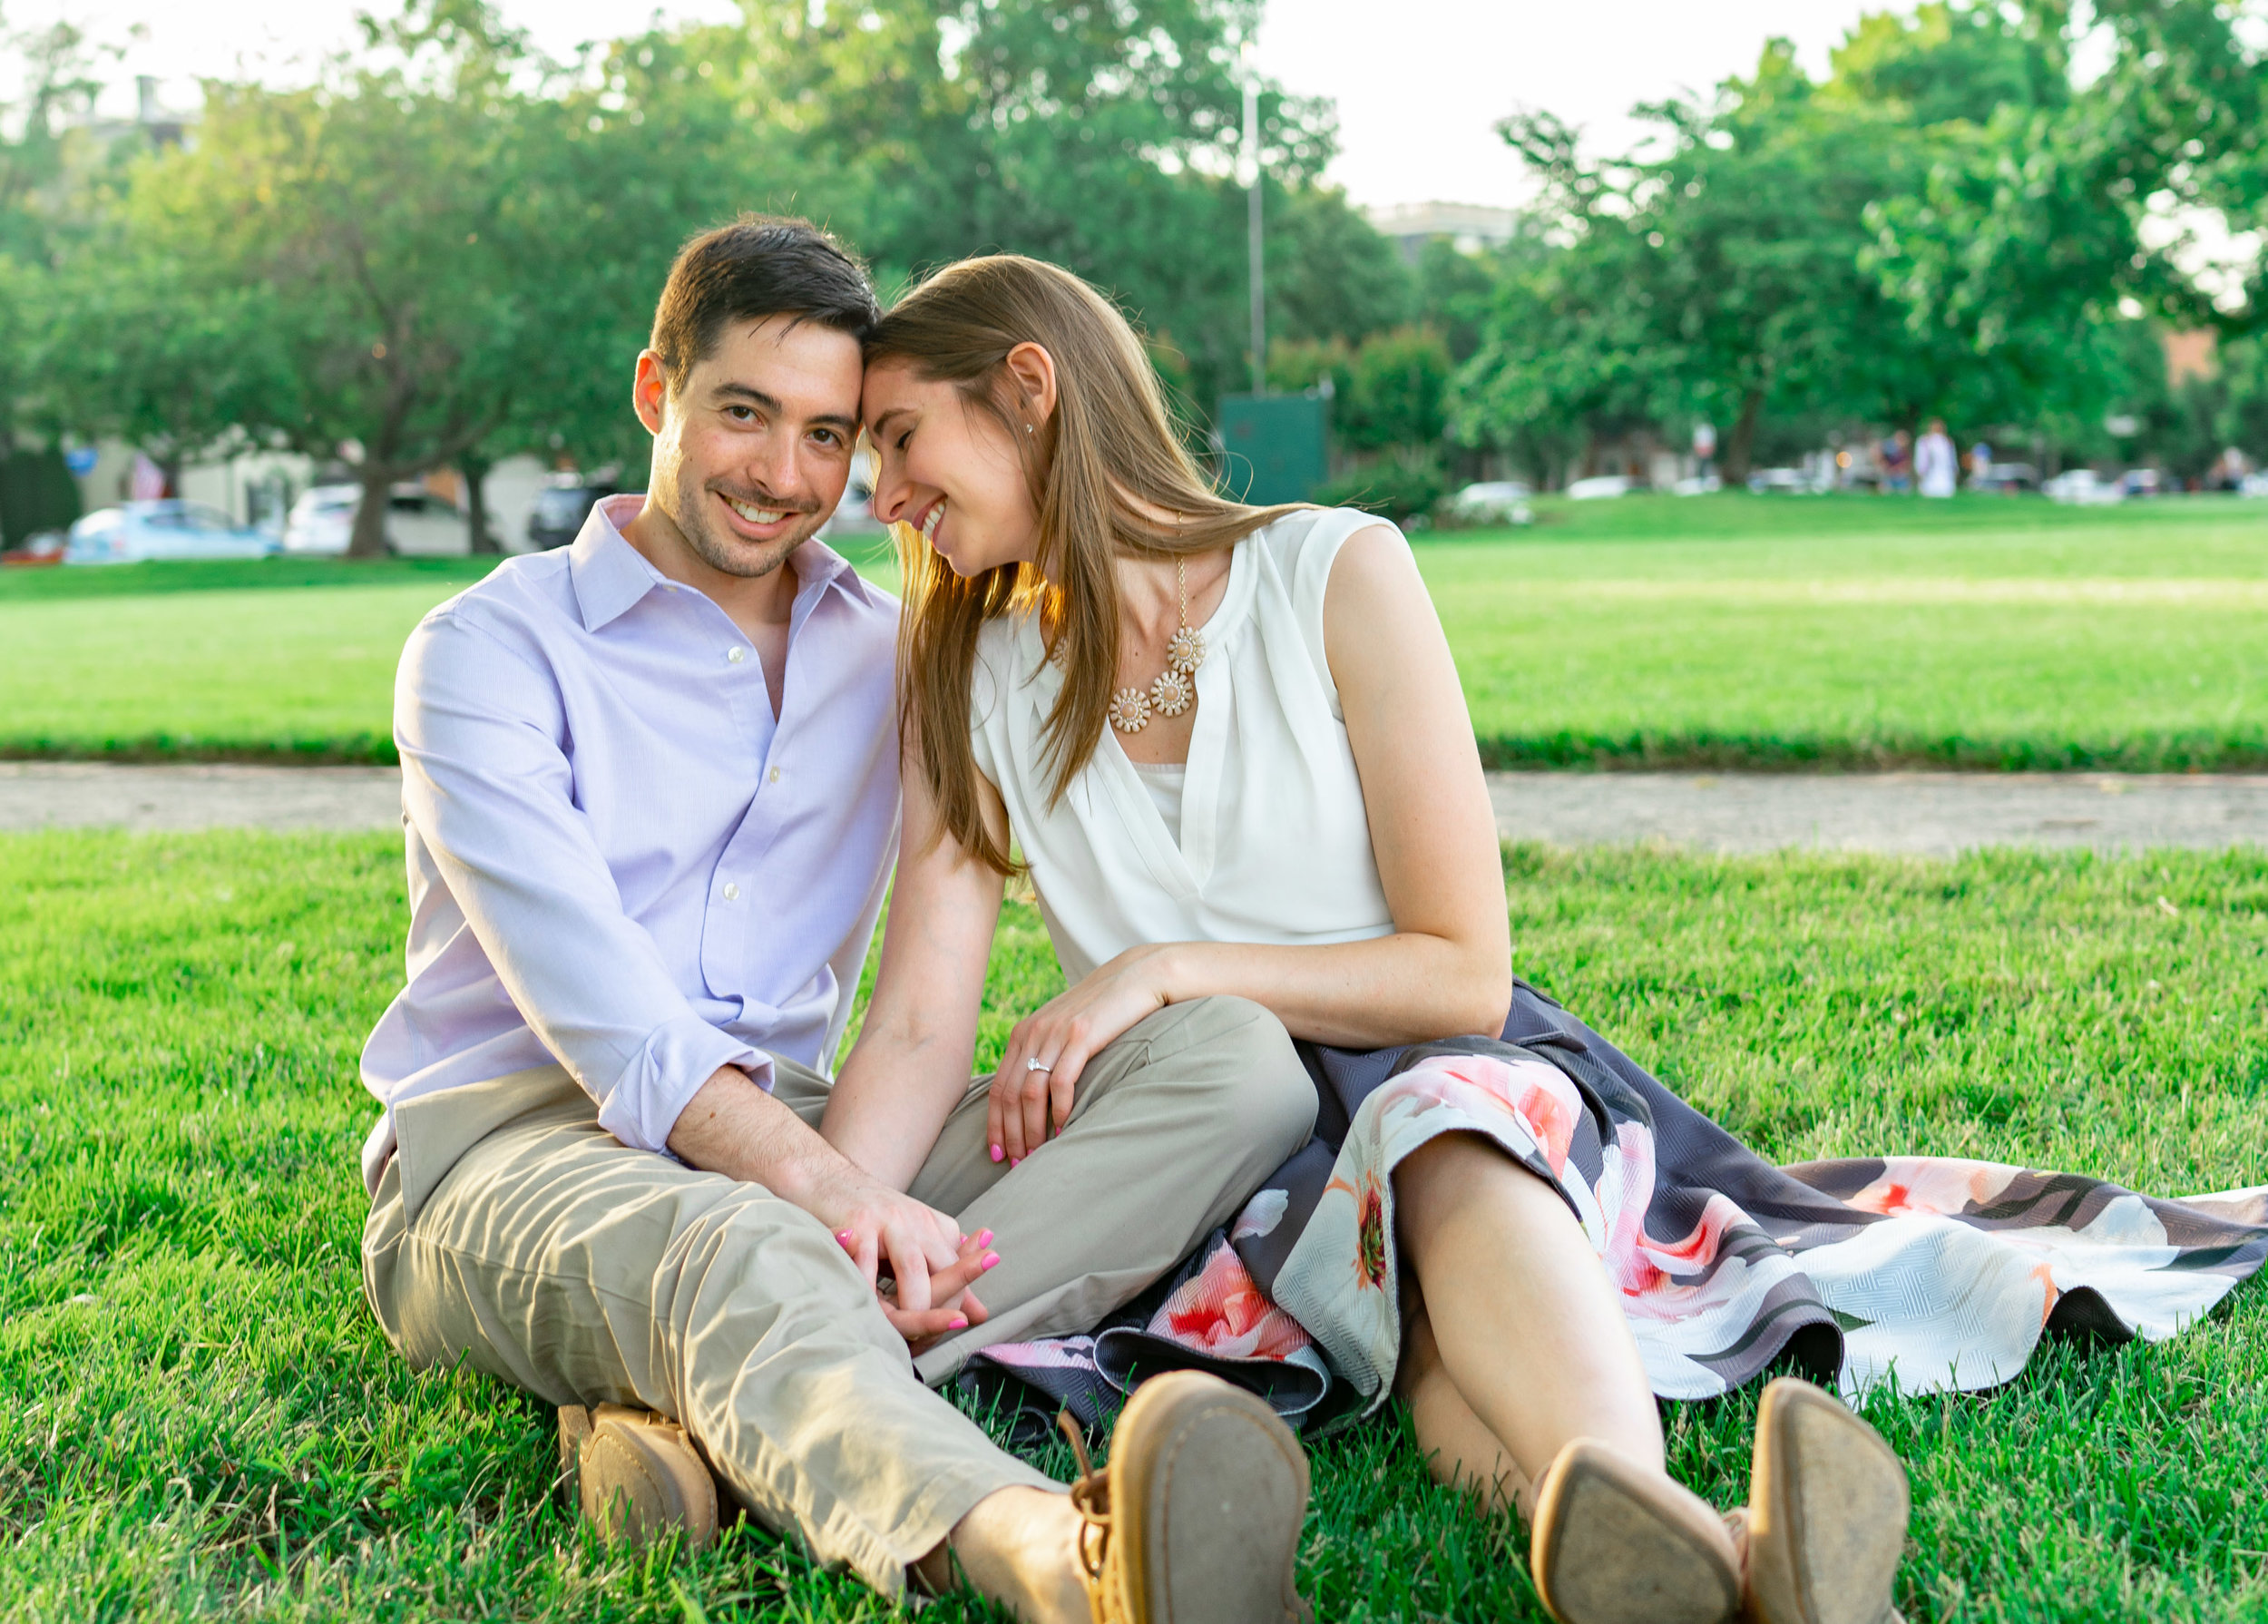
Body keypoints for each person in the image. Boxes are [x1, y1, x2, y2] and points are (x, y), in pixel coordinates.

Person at [835, 254, 2268, 1624]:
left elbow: (1460, 969)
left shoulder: (1335, 572)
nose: (881, 490)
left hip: (1454, 1083)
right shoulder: (968, 665)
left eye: (901, 436)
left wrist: (1162, 969)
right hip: (1229, 1158)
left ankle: (1645, 1519)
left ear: (1029, 387)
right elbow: (914, 1021)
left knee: (1436, 1134)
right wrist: (829, 1227)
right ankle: (1718, 1557)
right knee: (1417, 1344)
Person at [356, 215, 1318, 1624]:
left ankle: (708, 1413)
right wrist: (833, 1200)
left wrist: (840, 1181)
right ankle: (1056, 1556)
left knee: (1234, 1062)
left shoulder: (896, 649)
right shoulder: (486, 652)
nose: (785, 476)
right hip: (508, 1144)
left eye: (828, 435)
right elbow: (609, 1020)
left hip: (805, 1121)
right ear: (654, 393)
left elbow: (929, 997)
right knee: (746, 1241)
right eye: (744, 413)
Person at [1916, 417, 1958, 498]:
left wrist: (1954, 469)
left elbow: (1952, 458)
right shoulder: (1925, 440)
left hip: (1944, 472)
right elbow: (1921, 458)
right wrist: (1921, 470)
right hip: (1930, 472)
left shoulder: (1947, 441)